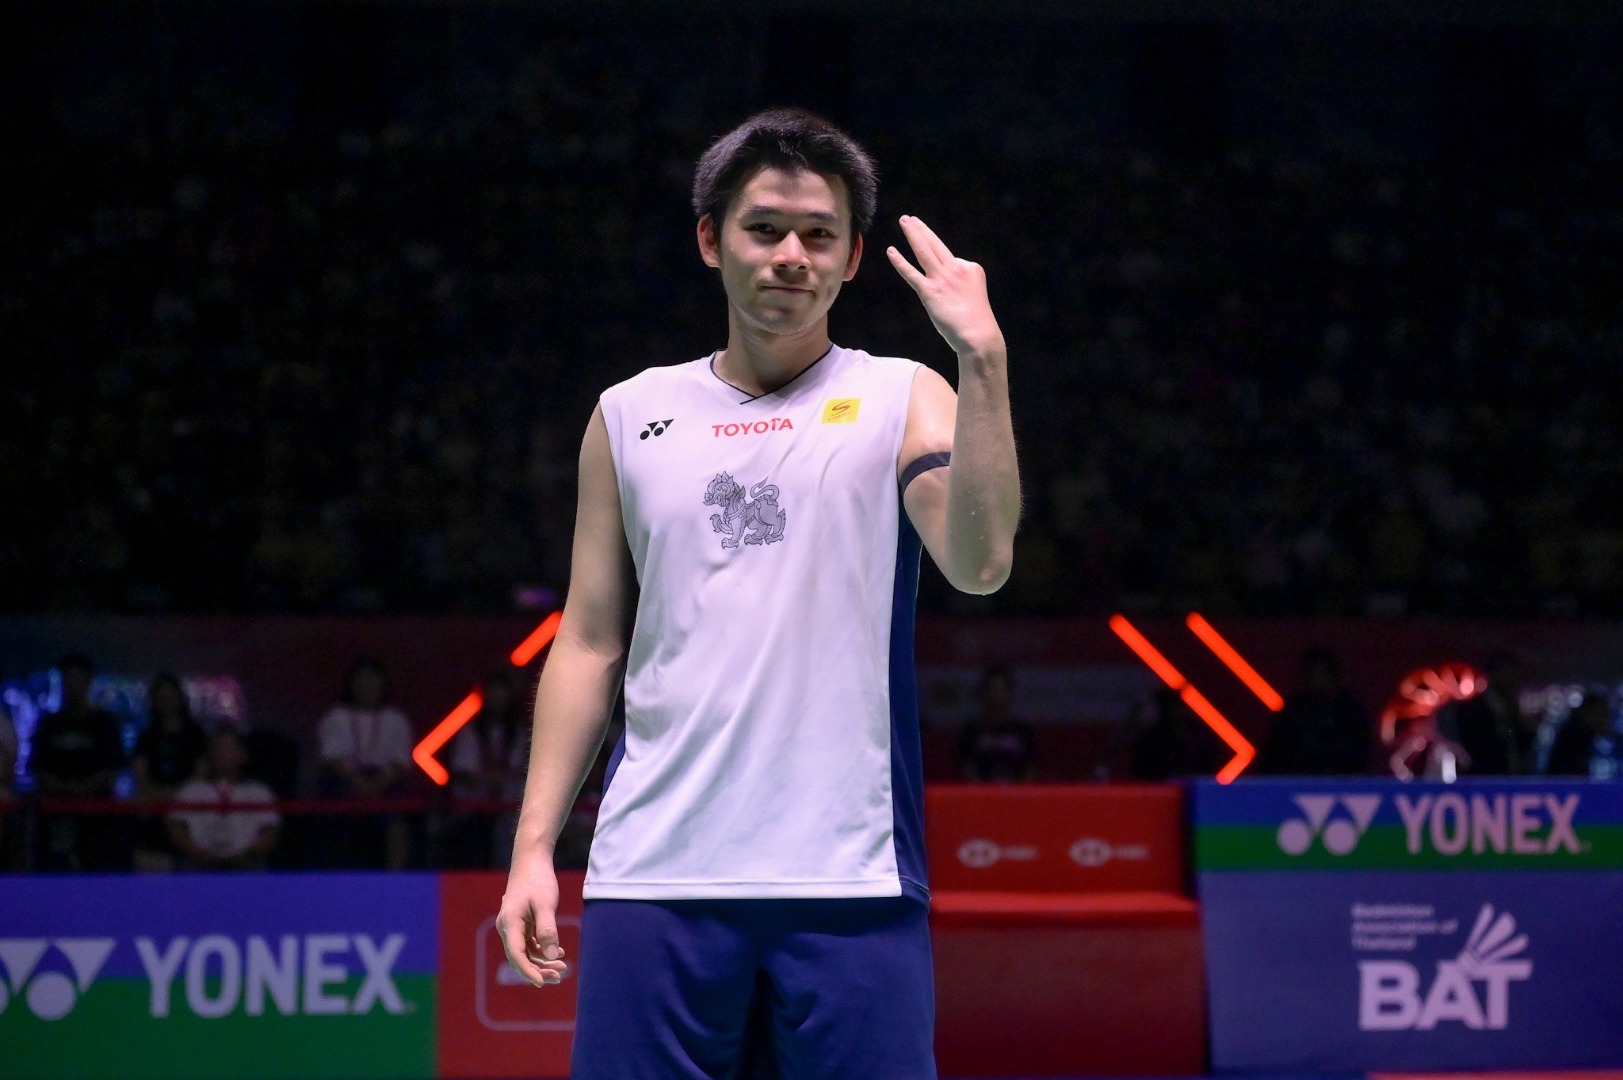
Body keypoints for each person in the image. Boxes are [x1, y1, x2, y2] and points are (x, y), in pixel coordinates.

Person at [496, 109, 1020, 1079]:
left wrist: (980, 360)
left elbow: (979, 562)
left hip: (849, 879)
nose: (791, 255)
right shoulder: (630, 414)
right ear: (711, 240)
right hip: (655, 875)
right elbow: (590, 640)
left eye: (819, 235)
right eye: (764, 228)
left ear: (852, 258)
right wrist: (534, 847)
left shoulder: (904, 396)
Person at [31, 654, 128, 870]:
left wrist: (87, 788)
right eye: (68, 680)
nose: (73, 686)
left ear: (89, 681)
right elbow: (37, 768)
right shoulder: (49, 724)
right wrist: (64, 789)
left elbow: (114, 766)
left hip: (98, 812)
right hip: (55, 812)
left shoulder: (105, 723)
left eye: (78, 679)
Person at [316, 658, 414, 869]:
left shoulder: (396, 719)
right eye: (362, 681)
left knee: (398, 816)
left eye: (373, 681)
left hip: (385, 781)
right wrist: (358, 782)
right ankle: (342, 874)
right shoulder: (335, 717)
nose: (367, 686)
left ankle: (395, 876)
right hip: (345, 779)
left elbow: (400, 761)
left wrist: (377, 785)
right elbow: (332, 758)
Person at [441, 668, 530, 867]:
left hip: (508, 810)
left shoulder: (520, 732)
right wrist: (492, 780)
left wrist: (500, 781)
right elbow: (464, 772)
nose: (497, 698)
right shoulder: (469, 730)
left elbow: (521, 771)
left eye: (502, 692)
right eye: (493, 692)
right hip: (472, 810)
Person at [167, 727, 281, 869]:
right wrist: (198, 853)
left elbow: (270, 831)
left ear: (242, 754)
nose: (223, 754)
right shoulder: (190, 791)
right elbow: (176, 828)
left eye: (228, 749)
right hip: (200, 869)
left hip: (246, 869)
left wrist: (247, 856)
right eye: (218, 749)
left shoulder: (260, 793)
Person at [1255, 648, 1375, 775]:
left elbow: (1360, 754)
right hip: (1298, 781)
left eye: (1322, 675)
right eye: (1312, 676)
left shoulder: (1351, 712)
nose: (1317, 682)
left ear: (1333, 677)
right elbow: (1275, 755)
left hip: (1343, 783)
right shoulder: (1292, 712)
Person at [131, 673, 209, 868]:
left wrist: (179, 798)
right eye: (161, 696)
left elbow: (201, 771)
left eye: (171, 695)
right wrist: (159, 797)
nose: (167, 701)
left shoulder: (195, 734)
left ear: (181, 698)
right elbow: (139, 773)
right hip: (154, 814)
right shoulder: (147, 736)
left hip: (190, 814)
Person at [1446, 651, 1532, 775]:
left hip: (1512, 777)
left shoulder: (1513, 708)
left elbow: (1521, 746)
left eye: (1514, 675)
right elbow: (1475, 747)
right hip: (1484, 778)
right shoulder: (1472, 709)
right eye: (1506, 674)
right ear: (1493, 675)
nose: (1511, 680)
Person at [957, 666, 1038, 782]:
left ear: (1010, 693)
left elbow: (1031, 768)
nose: (998, 696)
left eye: (1002, 690)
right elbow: (967, 767)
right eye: (993, 690)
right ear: (984, 693)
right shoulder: (972, 730)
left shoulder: (1023, 730)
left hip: (1016, 791)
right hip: (981, 791)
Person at [1546, 690, 1616, 777]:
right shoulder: (1572, 738)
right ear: (1586, 713)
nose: (1605, 720)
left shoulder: (1594, 740)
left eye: (1607, 715)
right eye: (1600, 714)